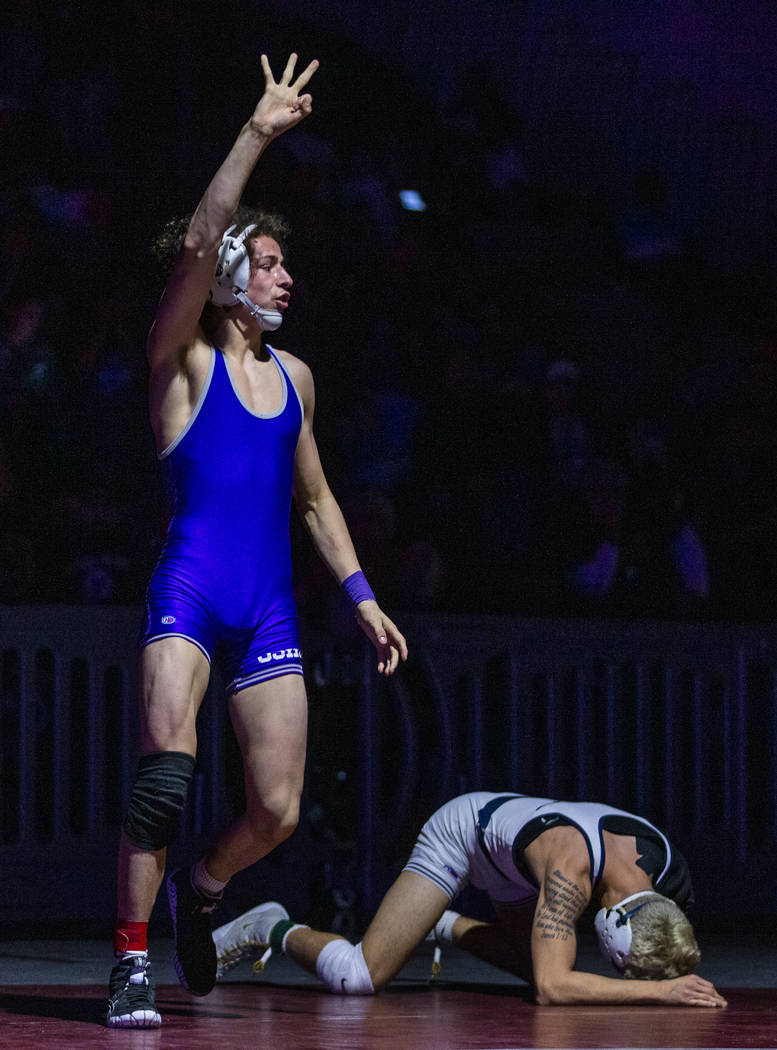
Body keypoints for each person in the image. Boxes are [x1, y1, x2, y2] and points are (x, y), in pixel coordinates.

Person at [106, 53, 407, 1029]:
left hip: (269, 600)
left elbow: (315, 500)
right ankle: (131, 963)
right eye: (270, 262)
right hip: (191, 592)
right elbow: (198, 242)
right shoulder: (182, 360)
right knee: (164, 777)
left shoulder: (300, 380)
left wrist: (363, 598)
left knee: (276, 810)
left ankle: (204, 885)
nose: (288, 276)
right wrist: (255, 133)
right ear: (231, 279)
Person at [213, 791, 726, 1008]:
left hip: (519, 862)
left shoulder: (667, 873)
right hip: (461, 834)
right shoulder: (570, 870)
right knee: (358, 976)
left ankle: (441, 925)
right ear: (610, 928)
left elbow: (666, 943)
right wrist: (658, 993)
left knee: (546, 964)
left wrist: (670, 977)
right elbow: (551, 989)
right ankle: (269, 927)